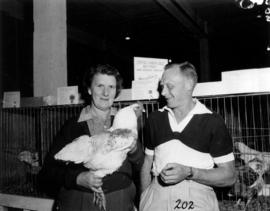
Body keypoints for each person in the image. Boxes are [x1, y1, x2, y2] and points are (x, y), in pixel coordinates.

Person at [38, 64, 144, 211]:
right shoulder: (73, 126)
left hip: (121, 199)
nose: (106, 93)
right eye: (100, 86)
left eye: (111, 87)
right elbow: (48, 172)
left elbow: (140, 165)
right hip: (80, 202)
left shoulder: (124, 121)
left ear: (116, 92)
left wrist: (134, 150)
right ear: (89, 89)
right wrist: (78, 178)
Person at [140, 62, 236, 211]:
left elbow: (229, 176)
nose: (163, 92)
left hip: (196, 198)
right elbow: (147, 164)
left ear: (189, 85)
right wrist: (144, 198)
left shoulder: (212, 121)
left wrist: (189, 172)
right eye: (162, 86)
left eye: (170, 86)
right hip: (156, 196)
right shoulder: (155, 119)